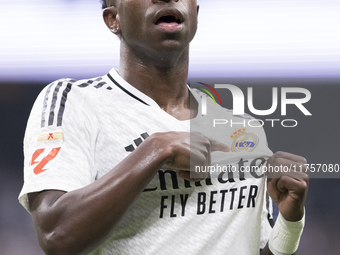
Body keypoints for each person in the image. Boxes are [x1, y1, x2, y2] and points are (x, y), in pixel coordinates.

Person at [19, 0, 309, 254]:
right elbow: (56, 235)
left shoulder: (243, 129)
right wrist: (158, 148)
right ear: (113, 19)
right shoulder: (75, 101)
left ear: (195, 12)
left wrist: (290, 221)